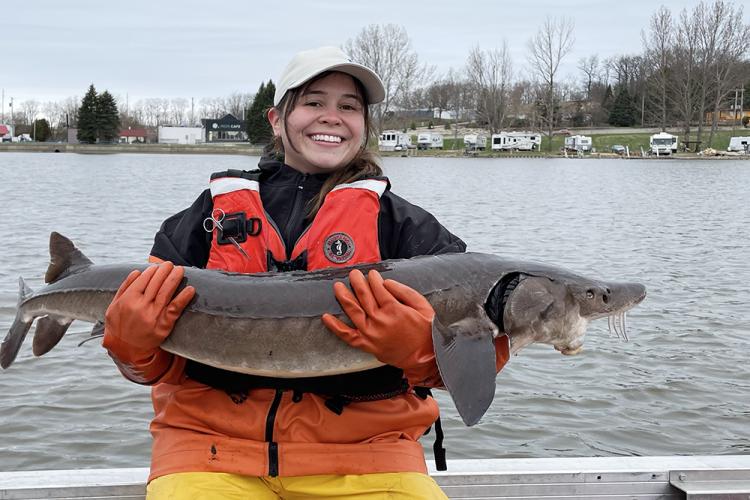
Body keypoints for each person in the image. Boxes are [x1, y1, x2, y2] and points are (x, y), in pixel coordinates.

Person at [103, 46, 511, 499]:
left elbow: (472, 368)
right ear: (277, 120)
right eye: (314, 102)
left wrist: (419, 350)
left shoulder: (410, 229)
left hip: (370, 455)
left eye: (349, 107)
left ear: (364, 125)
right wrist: (130, 344)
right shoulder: (205, 216)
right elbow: (152, 369)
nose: (332, 117)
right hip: (209, 452)